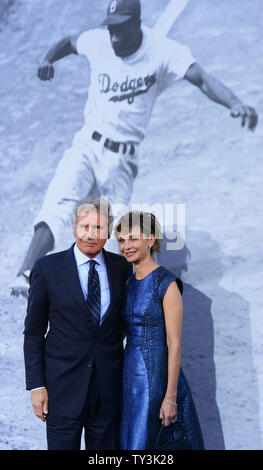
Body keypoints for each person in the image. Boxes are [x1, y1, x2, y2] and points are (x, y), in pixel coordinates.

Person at [10, 0, 258, 297]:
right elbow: (68, 42)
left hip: (123, 164)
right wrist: (47, 59)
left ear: (137, 25)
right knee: (58, 204)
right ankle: (25, 273)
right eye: (111, 29)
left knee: (118, 247)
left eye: (121, 30)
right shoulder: (99, 41)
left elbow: (201, 78)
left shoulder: (164, 51)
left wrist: (235, 103)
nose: (114, 37)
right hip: (87, 147)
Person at [23, 197, 133, 450]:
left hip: (108, 393)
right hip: (61, 391)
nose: (91, 235)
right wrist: (37, 385)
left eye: (98, 228)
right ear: (74, 228)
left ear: (108, 232)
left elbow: (124, 324)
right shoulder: (47, 268)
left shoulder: (122, 269)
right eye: (85, 227)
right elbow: (33, 332)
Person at [115, 210, 204, 450]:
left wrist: (170, 397)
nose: (125, 246)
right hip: (128, 375)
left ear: (150, 239)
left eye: (132, 238)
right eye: (121, 240)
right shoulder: (126, 284)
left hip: (157, 376)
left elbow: (174, 344)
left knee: (147, 443)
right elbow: (121, 333)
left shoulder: (167, 283)